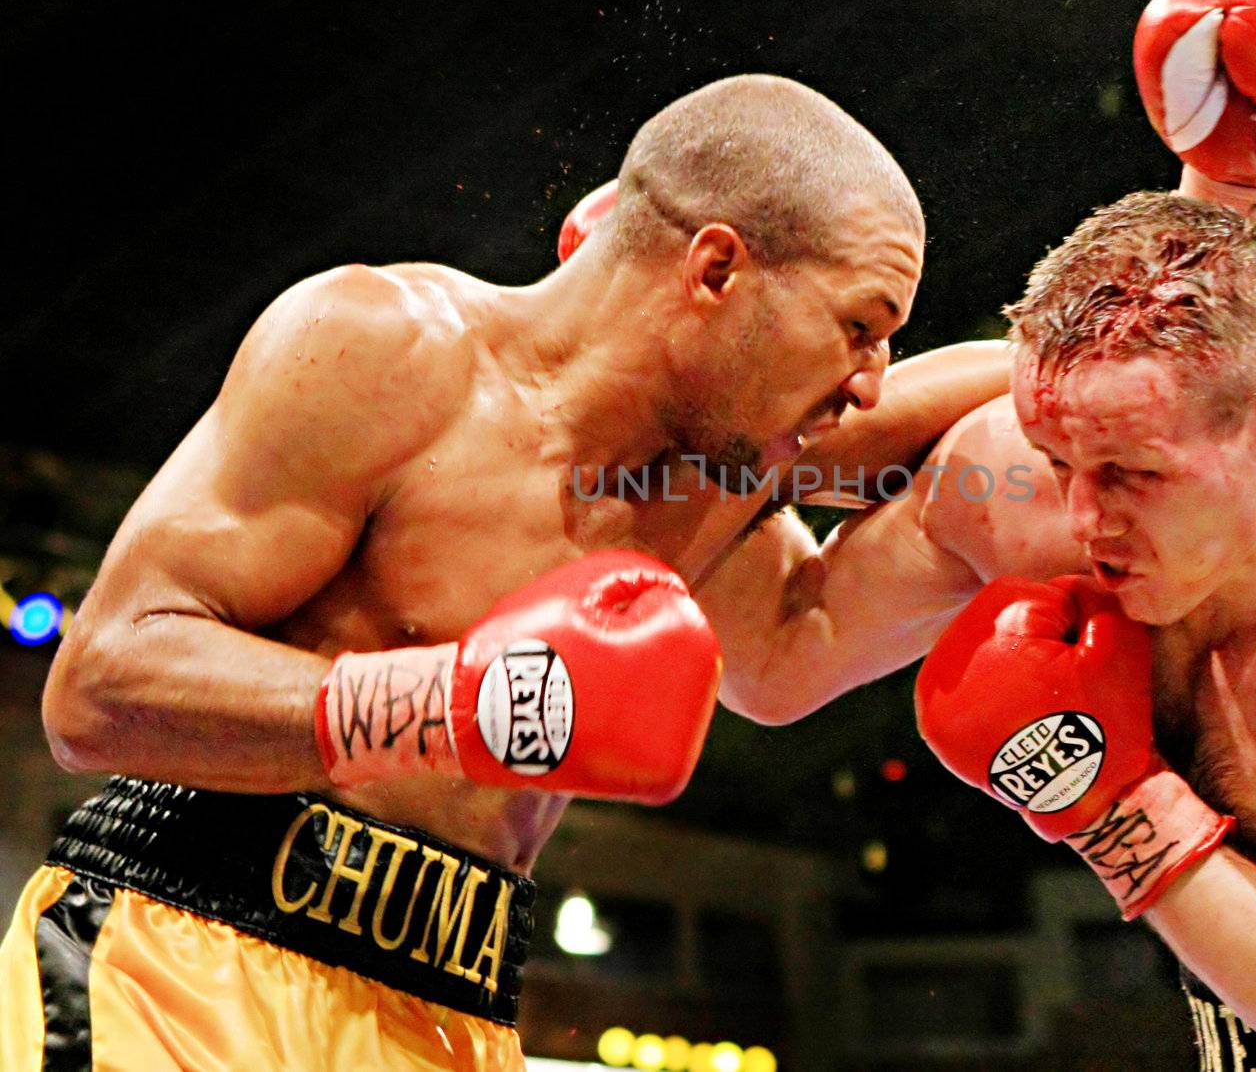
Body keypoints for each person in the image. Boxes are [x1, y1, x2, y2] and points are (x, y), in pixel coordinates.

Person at [0, 73, 1011, 1070]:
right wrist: (455, 702)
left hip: (454, 1009)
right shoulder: (384, 351)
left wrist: (1142, 311)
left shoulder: (713, 470)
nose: (870, 377)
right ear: (714, 271)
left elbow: (1006, 416)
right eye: (859, 326)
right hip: (184, 963)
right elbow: (94, 690)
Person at [701, 0, 1256, 1070]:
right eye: (1058, 454)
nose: (1084, 514)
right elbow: (772, 657)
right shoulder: (1030, 487)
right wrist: (695, 400)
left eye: (1135, 473)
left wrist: (1103, 791)